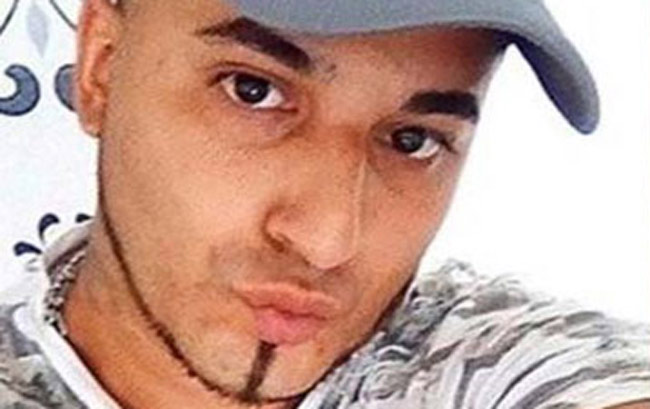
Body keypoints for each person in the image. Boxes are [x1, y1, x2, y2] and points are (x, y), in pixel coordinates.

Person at [0, 0, 648, 408]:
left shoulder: (479, 363)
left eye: (412, 140)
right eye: (252, 90)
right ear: (102, 68)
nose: (328, 240)